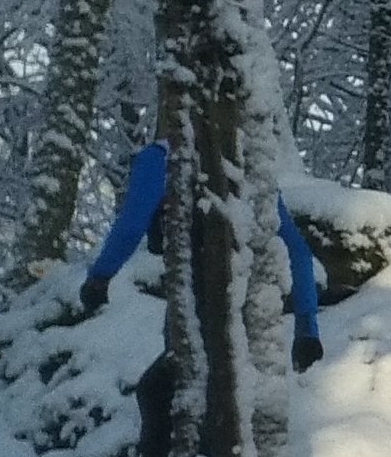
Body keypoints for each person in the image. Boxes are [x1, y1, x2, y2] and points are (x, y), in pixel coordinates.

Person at [81, 137, 326, 372]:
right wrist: (307, 331)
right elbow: (298, 251)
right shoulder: (250, 167)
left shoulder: (163, 158)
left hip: (195, 296)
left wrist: (99, 277)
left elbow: (130, 228)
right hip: (250, 310)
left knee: (162, 392)